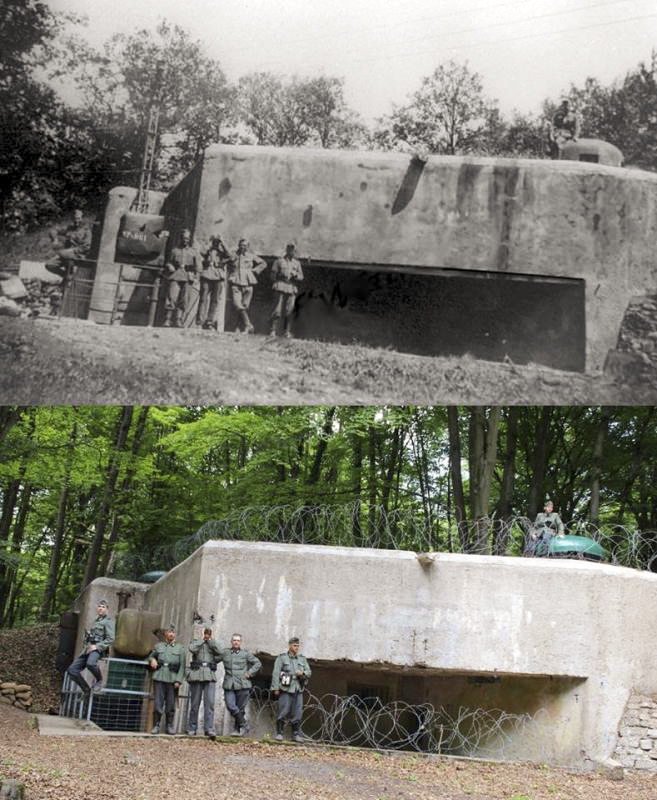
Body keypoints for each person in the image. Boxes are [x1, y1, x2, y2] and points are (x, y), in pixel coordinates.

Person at [67, 599, 114, 694]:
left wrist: (97, 647)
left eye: (103, 607)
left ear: (107, 610)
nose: (100, 608)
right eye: (99, 606)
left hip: (98, 649)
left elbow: (111, 638)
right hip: (88, 648)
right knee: (72, 670)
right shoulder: (95, 621)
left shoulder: (108, 622)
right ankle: (86, 690)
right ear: (97, 608)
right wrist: (87, 645)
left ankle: (99, 680)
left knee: (91, 663)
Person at [218, 633, 261, 736]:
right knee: (231, 705)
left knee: (240, 709)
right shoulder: (225, 653)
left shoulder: (245, 653)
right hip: (229, 684)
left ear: (240, 642)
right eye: (234, 640)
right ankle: (244, 724)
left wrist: (250, 673)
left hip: (243, 684)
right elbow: (214, 659)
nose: (236, 642)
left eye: (238, 640)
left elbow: (257, 663)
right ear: (231, 642)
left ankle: (237, 730)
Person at [271, 636, 311, 743]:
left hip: (298, 688)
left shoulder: (302, 659)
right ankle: (279, 733)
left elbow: (309, 672)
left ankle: (295, 734)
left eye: (298, 646)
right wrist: (275, 688)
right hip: (285, 688)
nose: (296, 648)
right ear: (289, 646)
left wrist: (302, 673)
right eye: (294, 645)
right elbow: (276, 673)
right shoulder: (282, 658)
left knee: (297, 713)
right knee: (283, 711)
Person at [148, 624, 186, 735]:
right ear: (165, 634)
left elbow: (182, 667)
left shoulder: (180, 648)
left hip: (172, 679)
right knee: (158, 704)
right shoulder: (159, 646)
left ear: (175, 635)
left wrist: (178, 680)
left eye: (173, 632)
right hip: (159, 677)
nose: (171, 634)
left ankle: (169, 726)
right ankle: (156, 725)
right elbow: (150, 656)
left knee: (170, 705)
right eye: (169, 632)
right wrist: (152, 660)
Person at [186, 626, 221, 737]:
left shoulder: (213, 644)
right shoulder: (196, 642)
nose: (207, 634)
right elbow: (192, 649)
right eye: (205, 632)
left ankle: (209, 729)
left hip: (209, 675)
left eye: (208, 633)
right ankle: (192, 728)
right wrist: (202, 639)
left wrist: (210, 641)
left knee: (209, 704)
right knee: (195, 704)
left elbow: (220, 652)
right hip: (196, 674)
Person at [226, 238, 267, 333]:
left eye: (244, 245)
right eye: (240, 245)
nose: (242, 247)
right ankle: (248, 325)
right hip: (236, 283)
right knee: (237, 305)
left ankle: (238, 328)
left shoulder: (251, 256)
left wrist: (255, 270)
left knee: (244, 306)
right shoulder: (234, 255)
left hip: (248, 284)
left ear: (248, 247)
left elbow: (263, 263)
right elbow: (227, 257)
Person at [163, 228, 199, 327]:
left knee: (184, 299)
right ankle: (168, 319)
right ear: (180, 239)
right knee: (172, 297)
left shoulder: (193, 252)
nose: (185, 240)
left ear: (189, 240)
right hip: (176, 275)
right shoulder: (174, 250)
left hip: (188, 277)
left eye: (187, 239)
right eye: (183, 238)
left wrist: (195, 277)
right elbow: (168, 261)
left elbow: (198, 266)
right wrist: (169, 265)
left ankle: (179, 319)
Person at [45, 209, 92, 280]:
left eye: (78, 218)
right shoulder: (69, 228)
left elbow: (86, 247)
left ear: (82, 218)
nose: (76, 221)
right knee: (49, 264)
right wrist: (54, 239)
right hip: (66, 255)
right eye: (75, 218)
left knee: (67, 259)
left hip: (78, 256)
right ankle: (67, 276)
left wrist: (72, 251)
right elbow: (53, 230)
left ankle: (67, 280)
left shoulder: (86, 231)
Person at [269, 242, 304, 338]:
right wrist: (279, 276)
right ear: (286, 250)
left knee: (289, 311)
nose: (291, 251)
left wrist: (295, 275)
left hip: (291, 287)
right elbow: (272, 276)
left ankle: (287, 332)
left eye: (293, 250)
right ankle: (273, 331)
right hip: (280, 285)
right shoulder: (279, 261)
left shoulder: (297, 263)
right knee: (277, 310)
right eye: (289, 249)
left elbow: (301, 277)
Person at [196, 235, 230, 331]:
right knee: (203, 299)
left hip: (218, 277)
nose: (215, 243)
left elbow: (230, 255)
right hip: (206, 275)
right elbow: (201, 252)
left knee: (215, 301)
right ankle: (199, 322)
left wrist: (223, 242)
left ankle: (209, 322)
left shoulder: (222, 252)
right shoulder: (208, 250)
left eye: (217, 242)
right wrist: (208, 242)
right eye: (214, 242)